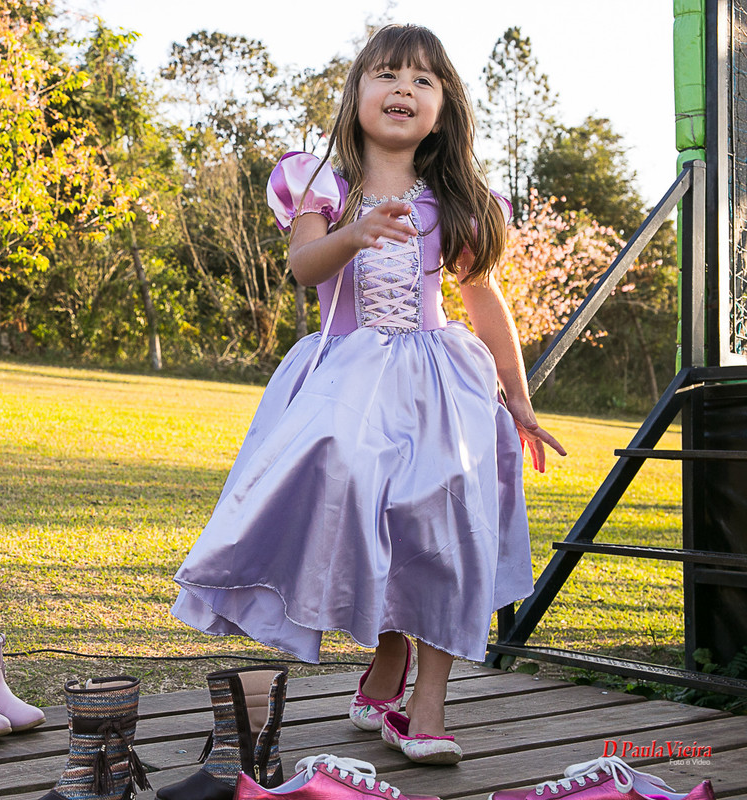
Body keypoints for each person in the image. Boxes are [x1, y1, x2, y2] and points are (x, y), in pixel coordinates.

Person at [171, 23, 566, 765]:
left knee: (445, 523)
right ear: (356, 95)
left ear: (445, 108)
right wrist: (353, 234)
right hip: (348, 378)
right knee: (365, 509)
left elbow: (483, 298)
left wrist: (519, 400)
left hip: (441, 381)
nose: (403, 90)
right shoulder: (321, 180)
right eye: (387, 74)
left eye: (423, 80)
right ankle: (387, 661)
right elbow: (304, 268)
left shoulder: (459, 202)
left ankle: (427, 706)